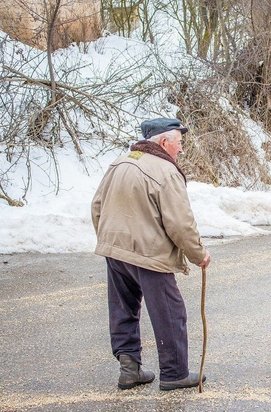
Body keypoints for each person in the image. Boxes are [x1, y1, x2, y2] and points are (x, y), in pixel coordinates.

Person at [91, 118, 211, 391]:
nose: (181, 150)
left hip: (116, 250)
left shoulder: (119, 163)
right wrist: (198, 254)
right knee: (170, 312)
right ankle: (175, 373)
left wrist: (109, 239)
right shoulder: (165, 171)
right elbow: (180, 223)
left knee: (123, 310)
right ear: (164, 142)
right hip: (148, 254)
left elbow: (97, 205)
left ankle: (129, 370)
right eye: (179, 143)